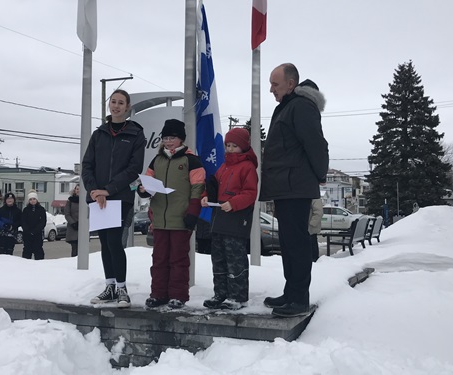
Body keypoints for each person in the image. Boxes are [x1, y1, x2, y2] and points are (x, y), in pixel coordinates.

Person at [259, 63, 329, 317]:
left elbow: (316, 144)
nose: (271, 89)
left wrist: (320, 175)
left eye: (275, 84)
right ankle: (291, 293)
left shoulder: (300, 106)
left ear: (291, 84)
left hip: (295, 187)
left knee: (297, 245)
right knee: (288, 244)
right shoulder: (289, 106)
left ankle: (299, 299)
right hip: (286, 187)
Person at [82, 89, 146, 308]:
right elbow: (87, 165)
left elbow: (134, 168)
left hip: (119, 197)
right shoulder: (99, 133)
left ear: (127, 107)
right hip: (98, 198)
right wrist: (93, 190)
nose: (116, 106)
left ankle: (122, 289)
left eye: (121, 103)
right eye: (113, 102)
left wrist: (108, 190)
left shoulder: (136, 133)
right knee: (104, 244)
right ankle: (109, 287)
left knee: (114, 242)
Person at [139, 119, 205, 310]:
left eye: (172, 138)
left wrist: (193, 212)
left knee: (178, 259)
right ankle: (158, 294)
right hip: (159, 218)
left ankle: (178, 295)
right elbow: (146, 182)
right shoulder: (157, 160)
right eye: (165, 138)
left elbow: (198, 187)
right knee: (159, 259)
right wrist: (143, 190)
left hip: (181, 218)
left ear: (181, 139)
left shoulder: (191, 160)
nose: (168, 141)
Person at [201, 128, 258, 310]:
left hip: (236, 218)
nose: (231, 149)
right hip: (219, 219)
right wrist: (206, 197)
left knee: (235, 258)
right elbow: (213, 187)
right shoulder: (223, 167)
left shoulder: (247, 167)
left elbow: (250, 193)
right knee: (218, 258)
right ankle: (221, 293)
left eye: (235, 146)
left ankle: (237, 296)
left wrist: (233, 203)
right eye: (228, 145)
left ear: (243, 147)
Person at [22, 190, 47, 260]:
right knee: (27, 254)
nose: (32, 201)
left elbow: (43, 222)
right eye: (30, 199)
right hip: (27, 235)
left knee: (38, 253)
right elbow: (23, 222)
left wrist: (36, 230)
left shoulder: (41, 210)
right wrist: (28, 230)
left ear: (37, 199)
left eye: (34, 199)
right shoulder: (26, 210)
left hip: (38, 235)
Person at [64, 184, 80, 257]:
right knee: (74, 249)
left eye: (80, 189)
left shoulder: (85, 200)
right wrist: (73, 223)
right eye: (77, 189)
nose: (78, 190)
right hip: (73, 227)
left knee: (82, 249)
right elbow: (67, 214)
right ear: (74, 190)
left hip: (82, 228)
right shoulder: (70, 200)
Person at [308, 198, 324, 262]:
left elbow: (319, 212)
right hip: (309, 227)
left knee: (312, 243)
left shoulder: (315, 198)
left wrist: (311, 224)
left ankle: (314, 260)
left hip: (311, 228)